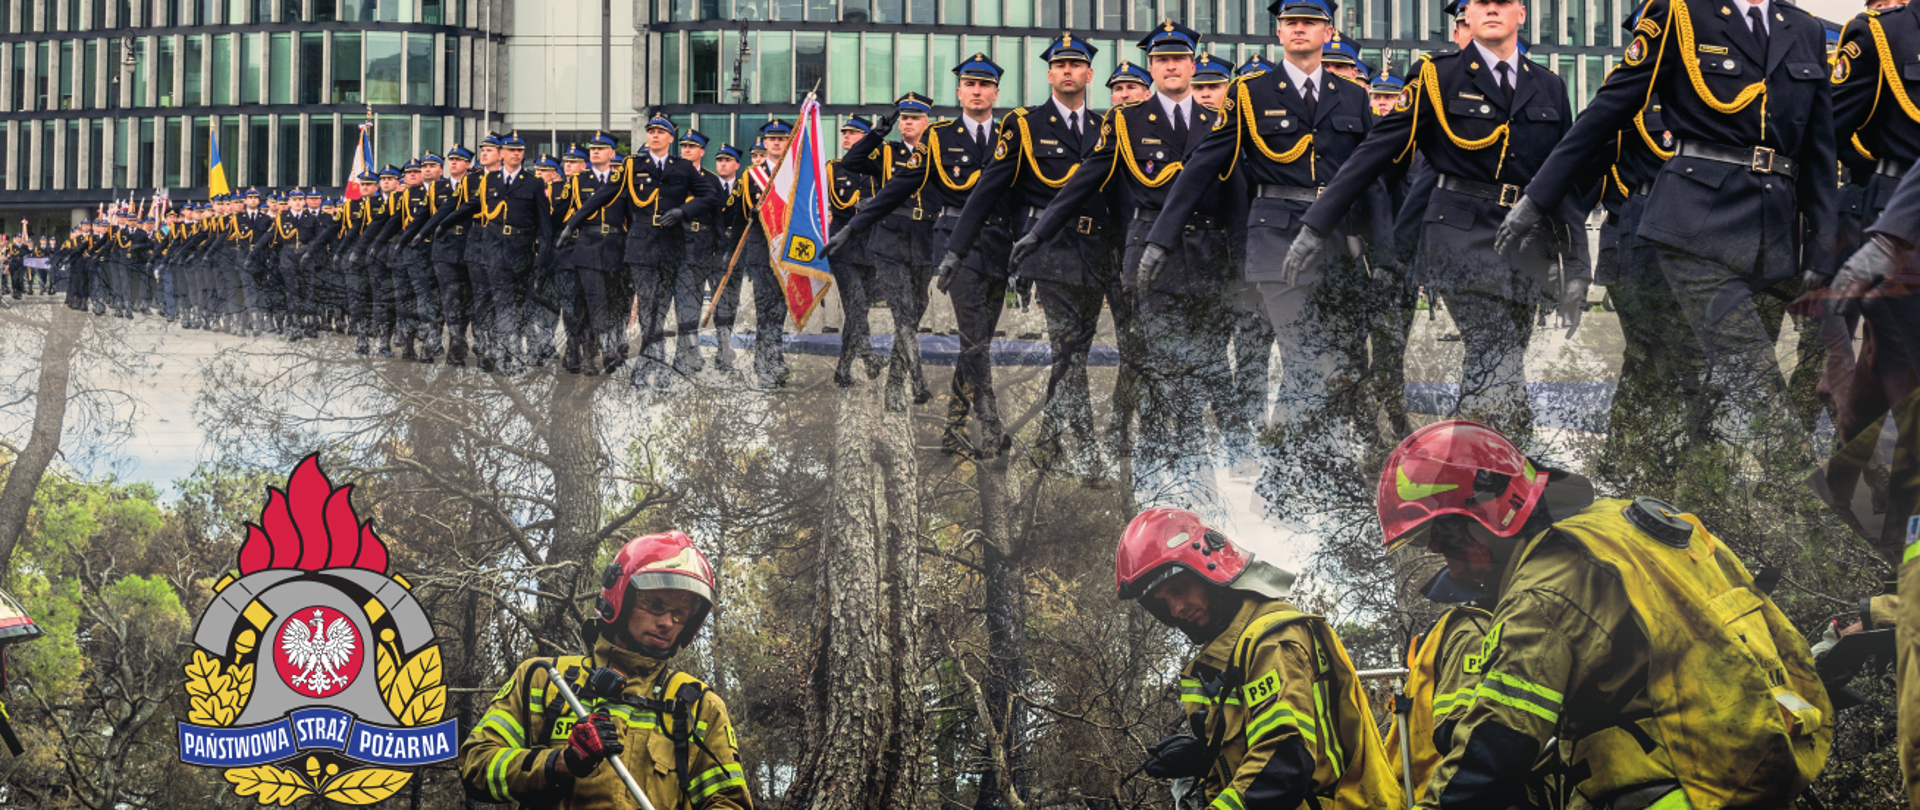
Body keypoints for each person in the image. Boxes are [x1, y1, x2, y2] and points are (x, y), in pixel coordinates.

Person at [1377, 420, 1831, 809]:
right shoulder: (1628, 529)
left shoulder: (1542, 588)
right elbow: (1779, 638)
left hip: (1672, 792)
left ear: (1491, 513)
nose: (1443, 557)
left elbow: (1499, 742)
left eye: (1445, 537)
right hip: (1759, 772)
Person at [1494, 0, 1837, 480]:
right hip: (1695, 227)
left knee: (1719, 396)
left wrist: (1821, 246)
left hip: (1772, 238)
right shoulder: (1682, 13)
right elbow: (1606, 112)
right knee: (1749, 378)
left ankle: (1691, 509)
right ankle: (1812, 515)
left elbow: (1821, 149)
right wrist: (1537, 200)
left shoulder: (1803, 29)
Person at [1285, 0, 1579, 445]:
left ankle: (1468, 470)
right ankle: (1511, 463)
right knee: (1495, 352)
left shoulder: (1550, 86)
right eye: (1481, 3)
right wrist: (1316, 225)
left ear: (1521, 13)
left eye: (1503, 2)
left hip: (1526, 246)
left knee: (1499, 359)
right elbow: (1374, 153)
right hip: (1459, 235)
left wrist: (1573, 261)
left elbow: (1565, 180)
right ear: (1468, 17)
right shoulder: (1437, 77)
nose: (1492, 10)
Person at [1115, 507, 1401, 810]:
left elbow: (1283, 763)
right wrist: (1206, 757)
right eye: (1164, 601)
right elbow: (1259, 744)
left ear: (1211, 572)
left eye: (1179, 588)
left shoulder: (1272, 641)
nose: (1176, 609)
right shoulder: (1231, 650)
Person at [459, 531, 751, 810]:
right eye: (655, 604)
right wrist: (562, 763)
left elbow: (729, 802)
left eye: (679, 614)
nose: (667, 622)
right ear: (619, 596)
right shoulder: (542, 680)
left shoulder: (698, 706)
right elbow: (477, 766)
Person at [942, 34, 1118, 468]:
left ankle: (1048, 439)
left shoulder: (1105, 128)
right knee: (1066, 349)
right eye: (1059, 66)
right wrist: (956, 249)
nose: (1067, 72)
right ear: (1049, 74)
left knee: (1077, 350)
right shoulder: (1024, 125)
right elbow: (988, 190)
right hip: (1048, 248)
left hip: (1094, 249)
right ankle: (1083, 447)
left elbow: (1118, 195)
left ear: (1088, 75)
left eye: (1075, 65)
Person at [830, 54, 1013, 456]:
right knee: (965, 336)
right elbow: (889, 186)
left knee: (974, 342)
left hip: (992, 244)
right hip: (949, 246)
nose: (977, 91)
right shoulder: (939, 139)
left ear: (996, 93)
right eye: (970, 84)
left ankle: (953, 428)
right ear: (960, 92)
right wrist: (853, 226)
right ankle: (986, 421)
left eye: (985, 85)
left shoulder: (1010, 136)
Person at [836, 92, 941, 406]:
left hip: (925, 240)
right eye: (904, 118)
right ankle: (913, 382)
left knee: (915, 312)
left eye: (914, 118)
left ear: (927, 122)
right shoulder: (886, 153)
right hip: (889, 240)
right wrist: (880, 128)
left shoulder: (938, 153)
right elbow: (851, 161)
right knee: (903, 314)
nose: (907, 122)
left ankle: (895, 381)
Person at [825, 116, 884, 387]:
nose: (846, 137)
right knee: (856, 303)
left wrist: (878, 202)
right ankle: (869, 355)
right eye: (844, 133)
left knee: (857, 310)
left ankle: (842, 370)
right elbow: (836, 201)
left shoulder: (879, 167)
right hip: (844, 247)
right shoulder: (834, 168)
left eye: (853, 133)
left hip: (871, 246)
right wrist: (862, 205)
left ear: (866, 138)